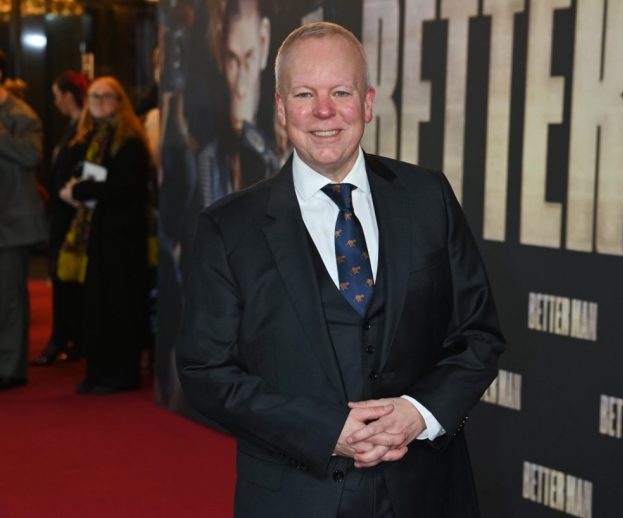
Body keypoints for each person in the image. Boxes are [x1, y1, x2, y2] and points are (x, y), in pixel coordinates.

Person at [176, 22, 505, 517]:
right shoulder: (228, 228)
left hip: (427, 494)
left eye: (341, 92)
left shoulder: (428, 197)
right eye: (305, 93)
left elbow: (478, 334)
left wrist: (419, 414)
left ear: (368, 103)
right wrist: (325, 430)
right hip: (294, 498)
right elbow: (206, 372)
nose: (324, 111)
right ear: (282, 107)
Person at [59, 76, 151, 395]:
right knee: (95, 306)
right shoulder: (87, 137)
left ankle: (121, 373)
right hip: (94, 237)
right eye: (94, 96)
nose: (99, 102)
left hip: (121, 239)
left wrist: (82, 189)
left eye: (107, 96)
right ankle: (97, 370)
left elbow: (124, 188)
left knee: (121, 305)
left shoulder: (131, 142)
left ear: (120, 102)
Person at [195, 0, 280, 209]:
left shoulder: (279, 152)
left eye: (249, 59)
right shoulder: (209, 160)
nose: (241, 89)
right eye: (232, 60)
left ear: (263, 41)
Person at [31, 71, 89, 366]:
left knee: (68, 278)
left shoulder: (85, 129)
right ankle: (66, 337)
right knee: (61, 276)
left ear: (68, 95)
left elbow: (87, 170)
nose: (55, 103)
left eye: (57, 96)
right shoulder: (71, 128)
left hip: (73, 213)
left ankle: (70, 338)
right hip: (62, 211)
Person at [0, 50, 47, 391]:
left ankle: (10, 367)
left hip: (11, 221)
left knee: (10, 296)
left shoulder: (21, 114)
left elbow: (31, 155)